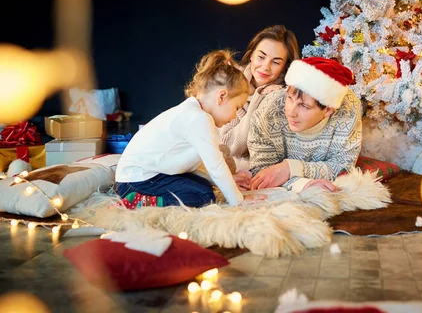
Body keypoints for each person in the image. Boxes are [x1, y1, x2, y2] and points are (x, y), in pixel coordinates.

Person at [115, 50, 264, 209]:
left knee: (204, 187)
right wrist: (238, 200)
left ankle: (145, 197)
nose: (235, 115)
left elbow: (199, 166)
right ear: (221, 96)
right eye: (237, 107)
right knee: (203, 196)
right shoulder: (198, 118)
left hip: (145, 176)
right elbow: (216, 165)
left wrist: (227, 182)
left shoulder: (193, 112)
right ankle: (139, 202)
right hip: (136, 181)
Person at [245, 57, 362, 193]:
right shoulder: (269, 113)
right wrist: (302, 184)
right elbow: (262, 173)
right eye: (289, 98)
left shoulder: (348, 109)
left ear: (328, 110)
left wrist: (290, 168)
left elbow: (343, 168)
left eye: (304, 106)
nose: (291, 112)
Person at [218, 25, 300, 160]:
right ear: (251, 55)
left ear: (285, 67)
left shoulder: (282, 98)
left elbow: (233, 149)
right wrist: (250, 94)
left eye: (275, 62)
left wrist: (258, 98)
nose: (265, 67)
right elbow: (226, 145)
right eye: (261, 57)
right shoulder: (230, 79)